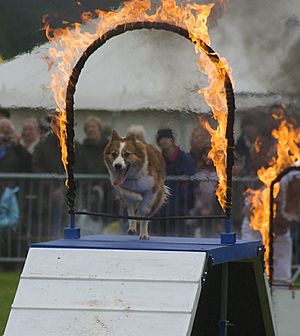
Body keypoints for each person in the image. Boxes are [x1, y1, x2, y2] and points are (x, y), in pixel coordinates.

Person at [155, 128, 195, 236]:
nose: (164, 141)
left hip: (180, 210)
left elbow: (190, 183)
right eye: (161, 138)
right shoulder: (157, 160)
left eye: (167, 138)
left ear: (172, 140)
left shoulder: (185, 159)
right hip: (161, 211)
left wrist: (187, 202)